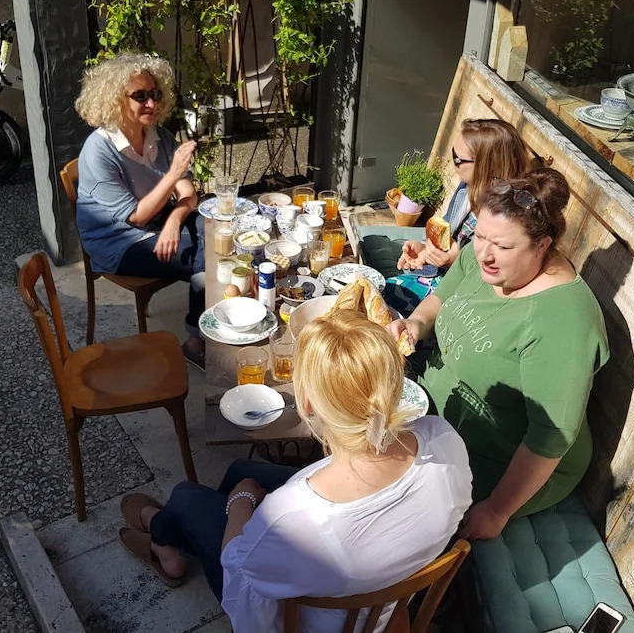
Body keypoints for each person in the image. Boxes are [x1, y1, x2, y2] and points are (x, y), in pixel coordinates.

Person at [118, 310, 473, 632]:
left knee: (188, 496)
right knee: (242, 468)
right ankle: (171, 535)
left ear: (307, 402)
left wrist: (242, 501)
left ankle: (163, 537)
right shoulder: (443, 439)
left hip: (316, 617)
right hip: (382, 599)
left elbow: (242, 585)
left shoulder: (290, 519)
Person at [389, 168, 609, 541]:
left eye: (503, 247)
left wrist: (496, 510)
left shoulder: (562, 322)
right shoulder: (483, 258)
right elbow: (442, 298)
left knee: (389, 508)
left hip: (503, 457)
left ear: (543, 245)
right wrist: (414, 323)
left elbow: (551, 435)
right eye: (480, 237)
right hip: (436, 413)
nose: (485, 255)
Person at [74, 52, 206, 363]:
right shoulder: (98, 150)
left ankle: (212, 327)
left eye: (155, 94)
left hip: (157, 223)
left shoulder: (159, 136)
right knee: (208, 257)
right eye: (140, 96)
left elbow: (188, 194)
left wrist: (174, 221)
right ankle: (197, 341)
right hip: (118, 242)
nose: (151, 103)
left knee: (217, 230)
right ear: (114, 99)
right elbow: (136, 216)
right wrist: (173, 174)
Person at [386, 119, 530, 318]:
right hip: (438, 276)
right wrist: (425, 250)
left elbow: (502, 280)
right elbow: (446, 237)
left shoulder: (509, 214)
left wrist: (458, 260)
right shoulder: (467, 188)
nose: (453, 161)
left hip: (463, 297)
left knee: (386, 301)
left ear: (485, 166)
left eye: (458, 159)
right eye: (453, 153)